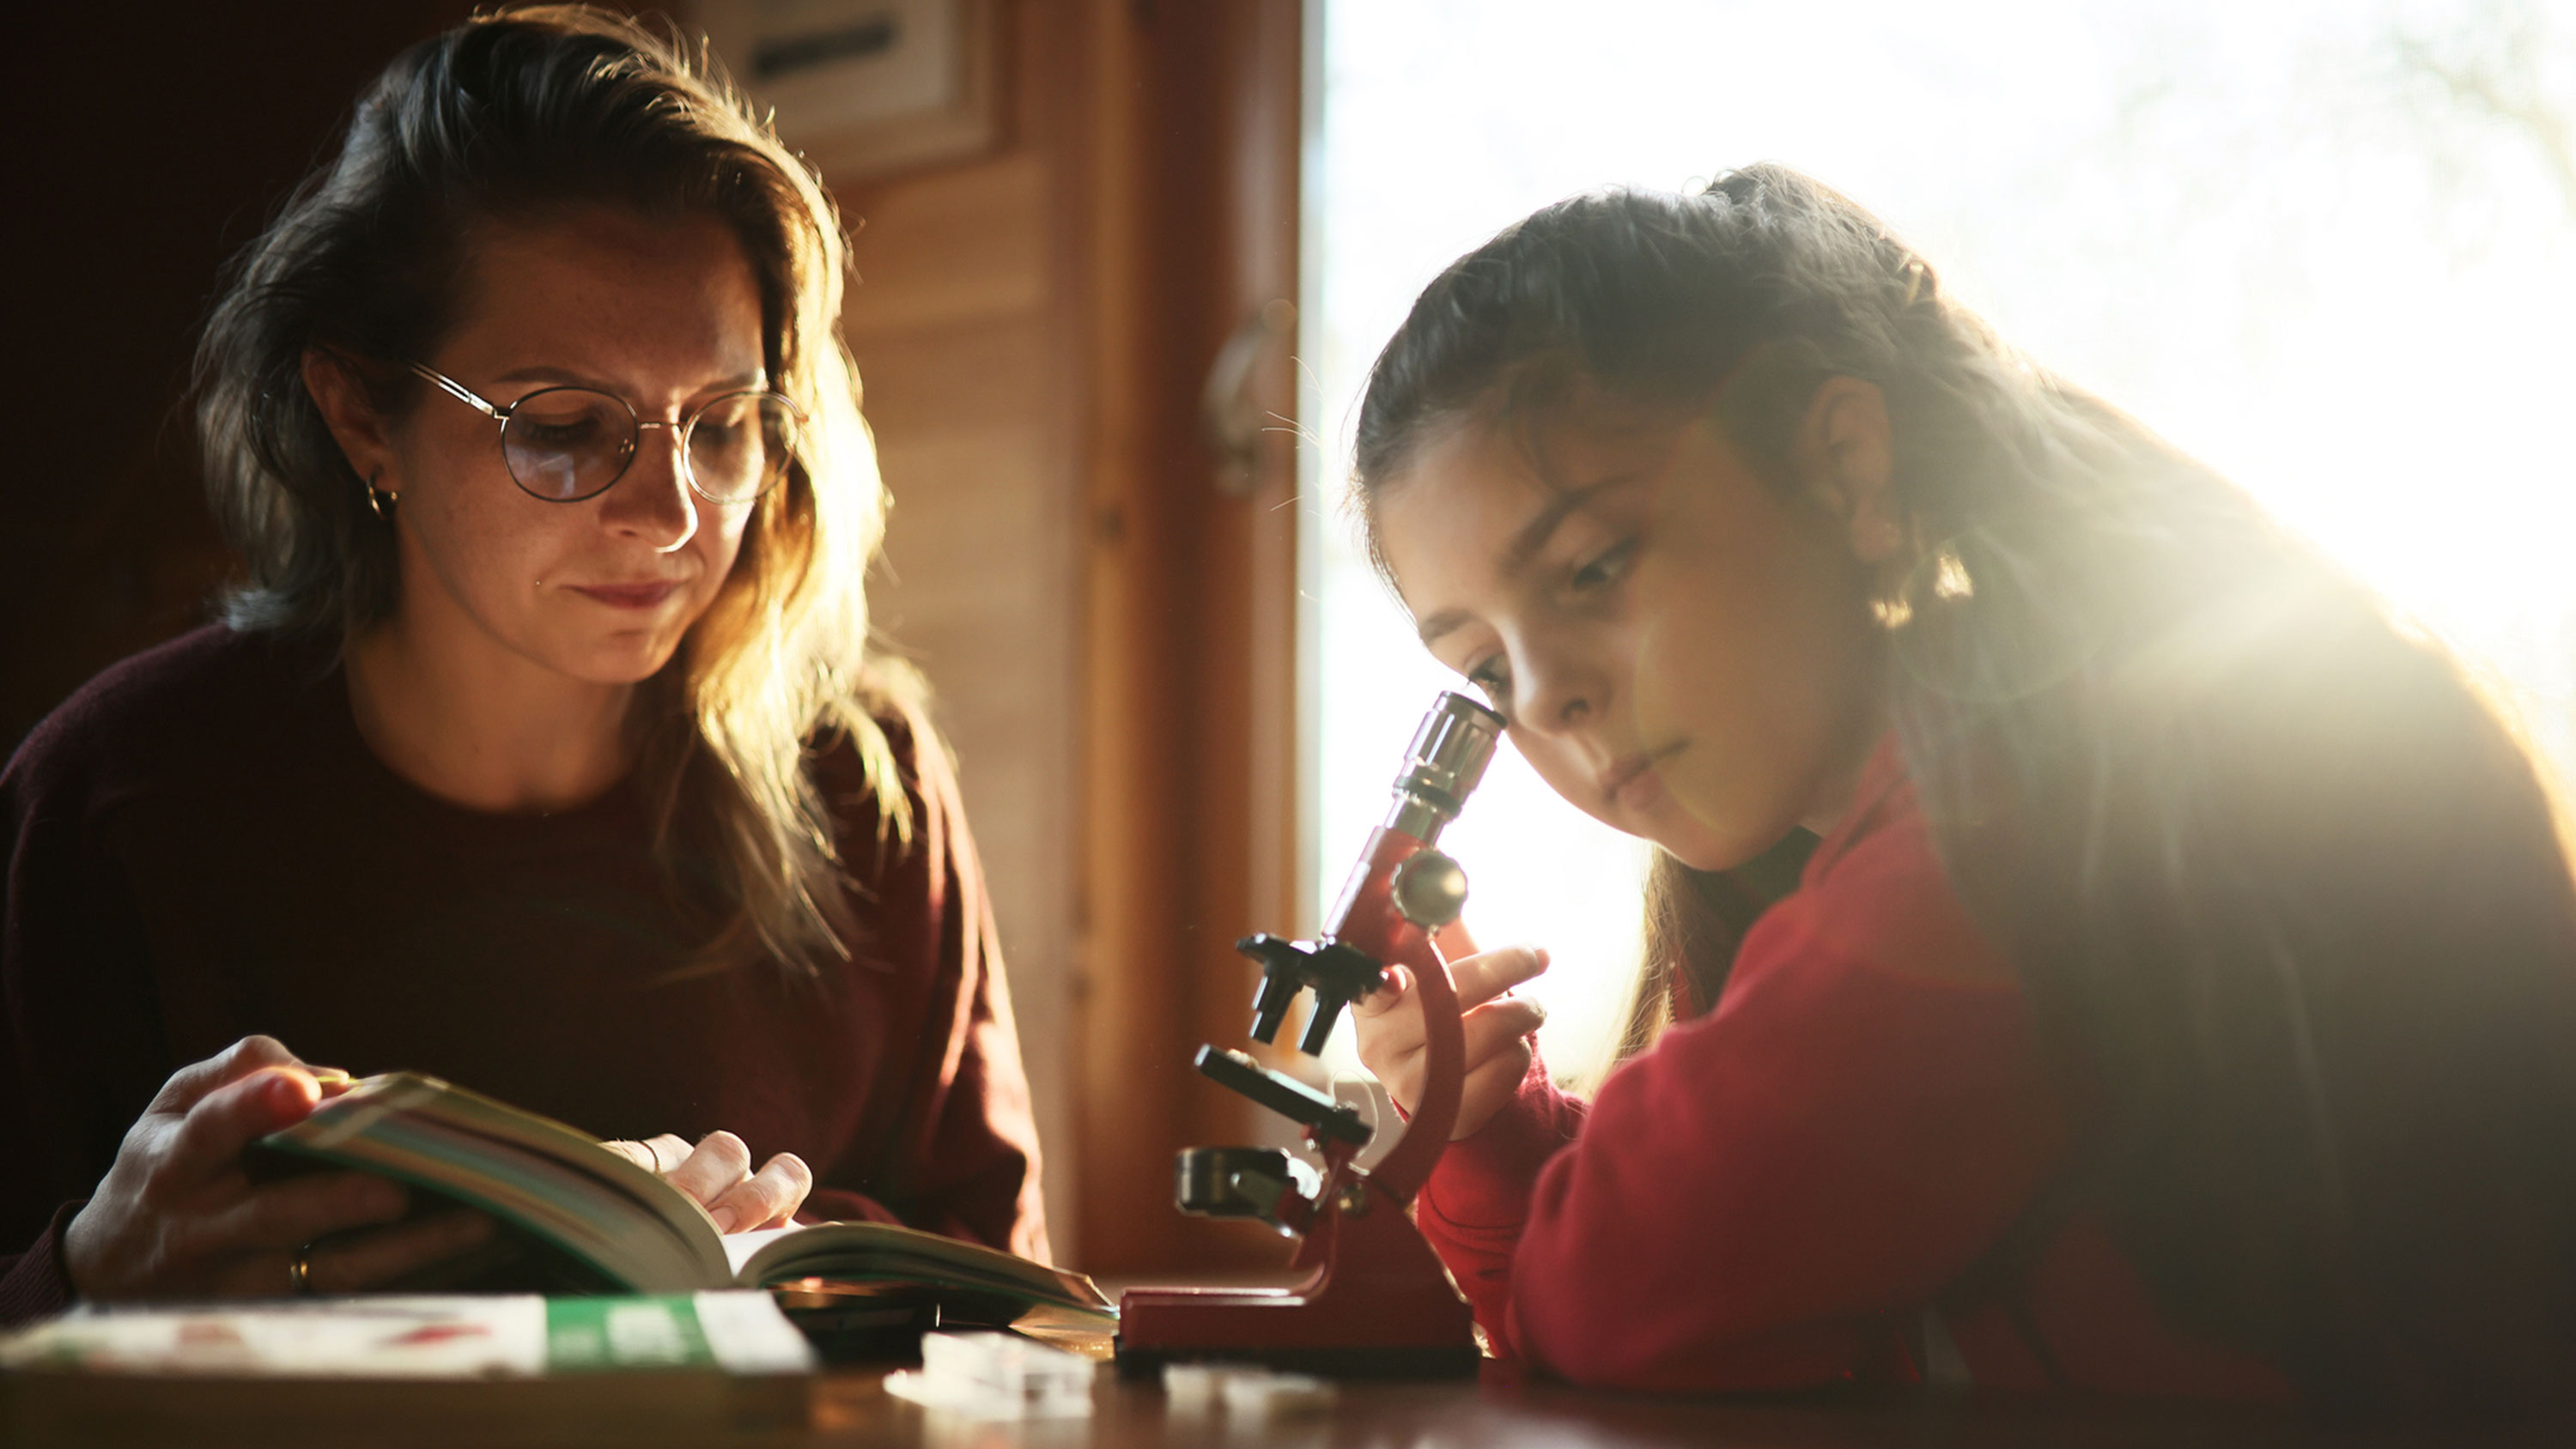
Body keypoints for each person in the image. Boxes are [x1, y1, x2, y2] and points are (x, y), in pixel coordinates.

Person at [1346, 165, 2576, 1412]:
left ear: (1844, 468)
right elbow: (1710, 1321)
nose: (1544, 698)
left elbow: (1615, 1296)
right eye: (1486, 666)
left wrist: (1551, 1239)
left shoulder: (2052, 797)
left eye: (1596, 566)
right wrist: (1484, 1135)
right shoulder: (1914, 824)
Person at [0, 6, 1044, 1325]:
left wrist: (803, 1259)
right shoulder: (110, 805)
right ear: (360, 412)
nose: (671, 516)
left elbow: (1018, 1312)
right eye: (562, 428)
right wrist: (84, 1274)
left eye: (720, 426)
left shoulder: (864, 790)